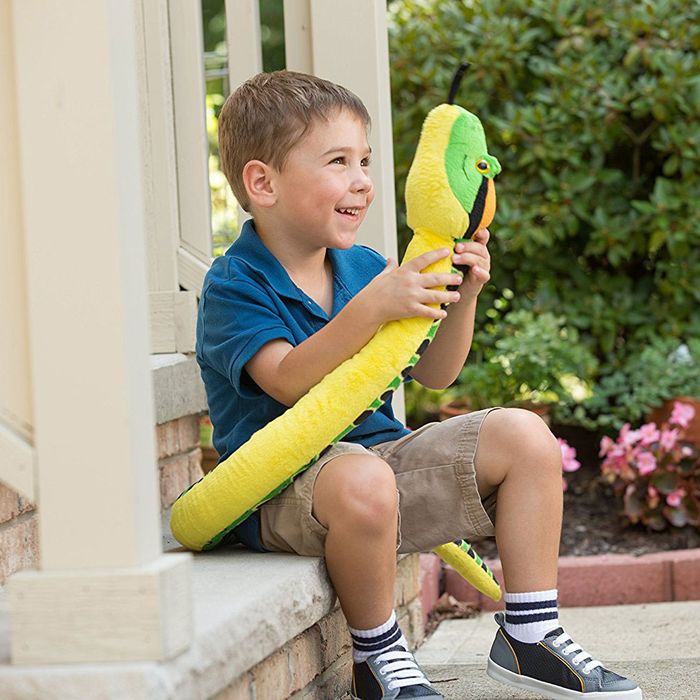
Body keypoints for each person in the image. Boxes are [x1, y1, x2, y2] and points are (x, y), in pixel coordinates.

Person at [197, 70, 642, 700]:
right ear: (263, 182)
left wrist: (464, 298)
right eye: (338, 162)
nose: (362, 181)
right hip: (283, 487)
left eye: (366, 161)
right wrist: (372, 308)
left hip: (381, 468)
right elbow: (290, 381)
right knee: (363, 477)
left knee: (526, 436)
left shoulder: (364, 268)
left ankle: (530, 633)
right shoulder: (235, 284)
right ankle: (379, 658)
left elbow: (436, 373)